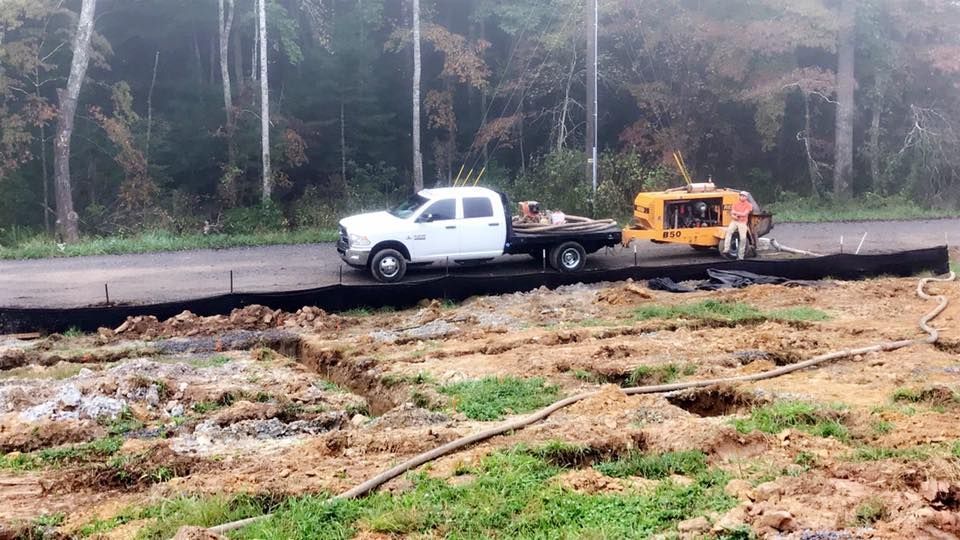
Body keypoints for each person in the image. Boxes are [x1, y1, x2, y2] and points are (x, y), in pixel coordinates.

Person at [723, 191, 753, 259]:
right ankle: (726, 249)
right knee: (729, 232)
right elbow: (732, 212)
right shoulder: (735, 203)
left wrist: (736, 213)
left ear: (746, 197)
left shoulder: (749, 205)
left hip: (742, 223)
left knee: (743, 238)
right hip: (734, 221)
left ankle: (740, 256)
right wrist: (734, 216)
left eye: (743, 196)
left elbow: (744, 214)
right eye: (741, 195)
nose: (742, 197)